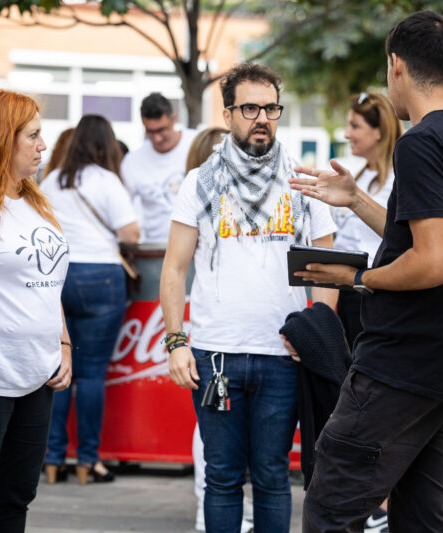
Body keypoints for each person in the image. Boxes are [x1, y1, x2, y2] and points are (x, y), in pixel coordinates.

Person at [290, 11, 443, 532]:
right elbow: (426, 240)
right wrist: (357, 199)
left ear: (397, 66)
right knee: (427, 522)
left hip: (401, 365)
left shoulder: (421, 142)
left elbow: (433, 262)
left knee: (329, 505)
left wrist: (357, 280)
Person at [161, 61, 338, 533]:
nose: (262, 117)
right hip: (215, 353)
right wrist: (176, 342)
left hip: (283, 354)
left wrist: (317, 335)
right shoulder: (199, 182)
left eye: (271, 108)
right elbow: (175, 269)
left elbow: (325, 269)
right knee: (220, 479)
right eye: (250, 108)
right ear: (229, 112)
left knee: (272, 477)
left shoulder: (303, 181)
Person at [0, 89, 73, 533]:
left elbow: (48, 285)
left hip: (38, 372)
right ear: (5, 137)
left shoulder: (36, 201)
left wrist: (63, 342)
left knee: (18, 495)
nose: (43, 146)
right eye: (34, 135)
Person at [41, 114, 140, 485]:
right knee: (92, 373)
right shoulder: (107, 180)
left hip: (58, 277)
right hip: (101, 277)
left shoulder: (52, 180)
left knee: (60, 368)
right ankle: (88, 460)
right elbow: (130, 233)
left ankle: (53, 458)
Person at [183, 126, 253, 533]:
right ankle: (205, 503)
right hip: (214, 327)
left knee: (224, 426)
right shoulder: (197, 196)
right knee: (213, 424)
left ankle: (215, 503)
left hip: (245, 328)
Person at [333, 92, 402, 352]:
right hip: (347, 289)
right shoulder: (359, 178)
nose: (348, 134)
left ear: (379, 131)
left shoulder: (400, 178)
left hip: (377, 291)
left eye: (355, 126)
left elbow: (401, 235)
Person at [121, 92, 196, 242]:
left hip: (197, 246)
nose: (157, 138)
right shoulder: (132, 161)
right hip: (155, 247)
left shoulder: (196, 143)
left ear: (174, 119)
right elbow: (123, 207)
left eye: (161, 130)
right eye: (150, 131)